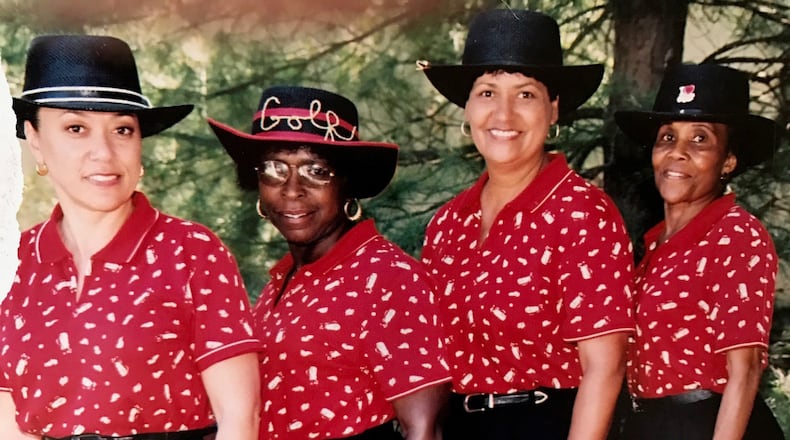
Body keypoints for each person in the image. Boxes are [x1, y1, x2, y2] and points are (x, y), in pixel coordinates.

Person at [0, 35, 261, 440]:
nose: (104, 152)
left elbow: (239, 419)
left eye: (122, 129)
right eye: (76, 128)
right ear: (35, 140)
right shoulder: (12, 263)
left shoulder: (192, 252)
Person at [417, 9, 635, 440]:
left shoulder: (581, 212)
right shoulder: (446, 225)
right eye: (487, 92)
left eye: (526, 94)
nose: (503, 113)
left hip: (548, 424)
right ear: (467, 106)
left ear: (554, 109)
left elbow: (605, 368)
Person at [208, 85, 451, 440]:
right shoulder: (287, 277)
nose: (292, 189)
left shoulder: (386, 277)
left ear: (348, 184)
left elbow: (424, 430)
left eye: (316, 171)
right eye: (275, 169)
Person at [614, 63, 784, 440]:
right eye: (667, 137)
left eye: (700, 139)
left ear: (728, 161)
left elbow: (746, 370)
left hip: (710, 424)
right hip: (651, 425)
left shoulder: (736, 235)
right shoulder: (655, 246)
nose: (678, 152)